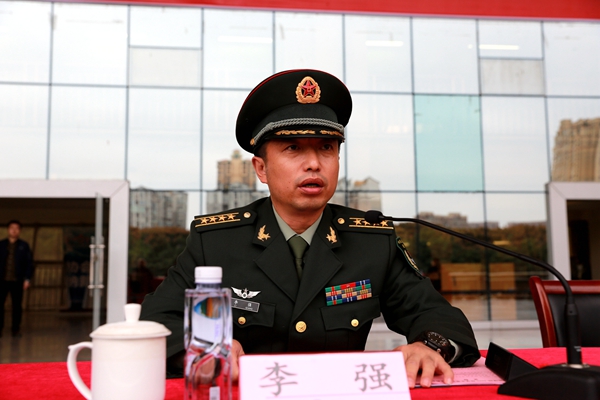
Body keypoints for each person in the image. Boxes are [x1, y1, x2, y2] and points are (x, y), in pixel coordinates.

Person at [141, 69, 479, 387]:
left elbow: (437, 317)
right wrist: (200, 347)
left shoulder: (371, 241)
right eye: (293, 148)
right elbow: (156, 323)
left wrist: (429, 347)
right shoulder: (216, 242)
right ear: (261, 168)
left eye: (326, 148)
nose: (314, 163)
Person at [0, 220, 34, 338]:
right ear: (8, 230)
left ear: (19, 231)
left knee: (17, 306)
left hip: (17, 280)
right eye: (11, 228)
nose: (14, 231)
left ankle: (15, 329)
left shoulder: (24, 246)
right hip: (2, 280)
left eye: (16, 228)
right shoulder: (1, 245)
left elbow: (29, 263)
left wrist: (27, 279)